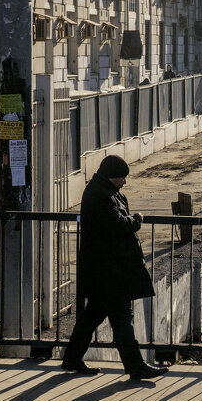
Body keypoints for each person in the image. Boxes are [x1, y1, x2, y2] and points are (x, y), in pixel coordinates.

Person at [61, 154, 168, 381]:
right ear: (111, 176)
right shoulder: (99, 196)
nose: (124, 182)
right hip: (108, 270)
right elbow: (117, 224)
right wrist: (137, 219)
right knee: (122, 318)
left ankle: (71, 358)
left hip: (105, 269)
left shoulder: (105, 192)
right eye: (121, 177)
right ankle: (135, 366)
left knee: (92, 317)